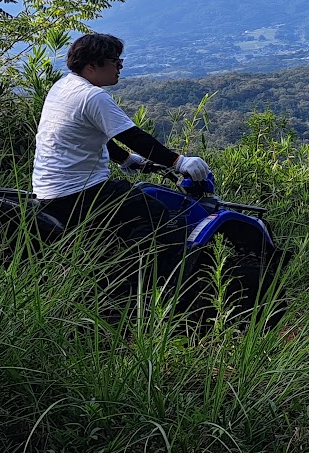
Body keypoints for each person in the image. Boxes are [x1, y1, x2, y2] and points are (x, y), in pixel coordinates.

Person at [33, 33, 210, 273]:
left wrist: (126, 160)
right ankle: (150, 283)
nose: (120, 67)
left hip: (49, 190)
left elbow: (89, 136)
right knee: (160, 218)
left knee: (132, 211)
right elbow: (132, 136)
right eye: (115, 61)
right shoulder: (92, 96)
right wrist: (179, 162)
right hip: (79, 191)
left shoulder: (63, 87)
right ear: (92, 65)